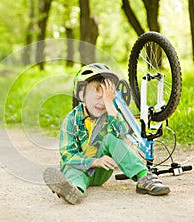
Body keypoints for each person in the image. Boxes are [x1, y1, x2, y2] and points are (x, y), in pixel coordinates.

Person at [43, 63, 170, 205]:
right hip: (80, 168)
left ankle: (144, 177)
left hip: (102, 171)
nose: (101, 103)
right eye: (98, 97)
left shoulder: (110, 114)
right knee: (71, 170)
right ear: (81, 95)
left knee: (111, 137)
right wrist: (94, 161)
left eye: (106, 98)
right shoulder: (71, 120)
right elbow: (68, 155)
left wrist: (110, 105)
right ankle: (73, 191)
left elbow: (121, 134)